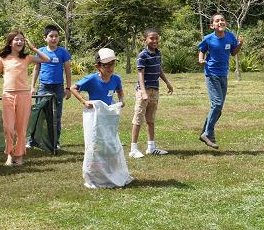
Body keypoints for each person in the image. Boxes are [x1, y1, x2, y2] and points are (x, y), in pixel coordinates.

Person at [70, 48, 132, 189]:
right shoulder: (92, 79)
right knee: (95, 144)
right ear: (98, 66)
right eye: (106, 65)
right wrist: (84, 102)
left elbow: (120, 91)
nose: (110, 68)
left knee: (111, 144)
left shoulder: (116, 79)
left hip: (108, 117)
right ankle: (94, 174)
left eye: (112, 64)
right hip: (94, 117)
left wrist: (122, 100)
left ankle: (111, 171)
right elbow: (74, 88)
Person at [0, 30, 50, 166]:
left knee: (21, 128)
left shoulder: (27, 58)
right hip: (8, 96)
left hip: (24, 96)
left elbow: (47, 59)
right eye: (17, 39)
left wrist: (34, 49)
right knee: (8, 128)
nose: (20, 41)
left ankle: (19, 155)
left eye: (22, 39)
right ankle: (10, 155)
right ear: (10, 42)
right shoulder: (2, 58)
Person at [198, 13, 243, 149]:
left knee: (218, 109)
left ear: (226, 23)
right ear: (212, 25)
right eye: (217, 21)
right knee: (217, 104)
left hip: (224, 74)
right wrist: (201, 59)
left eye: (222, 20)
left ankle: (205, 133)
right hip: (211, 74)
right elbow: (202, 49)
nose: (220, 22)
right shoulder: (208, 39)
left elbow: (233, 52)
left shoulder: (230, 37)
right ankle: (208, 133)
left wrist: (240, 44)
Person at [128, 28, 173, 159]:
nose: (154, 41)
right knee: (138, 119)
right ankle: (133, 149)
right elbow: (140, 74)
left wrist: (167, 83)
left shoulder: (158, 53)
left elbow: (159, 70)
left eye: (156, 38)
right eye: (151, 38)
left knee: (151, 119)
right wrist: (143, 92)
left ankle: (151, 147)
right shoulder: (142, 55)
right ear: (145, 40)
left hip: (155, 90)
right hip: (144, 90)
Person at [28, 24, 72, 150]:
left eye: (56, 36)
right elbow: (36, 69)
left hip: (58, 88)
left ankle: (55, 141)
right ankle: (32, 140)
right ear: (45, 38)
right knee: (38, 113)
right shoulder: (41, 51)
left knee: (56, 116)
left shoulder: (63, 52)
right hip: (44, 87)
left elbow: (68, 71)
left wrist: (68, 88)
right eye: (51, 36)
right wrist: (32, 87)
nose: (54, 38)